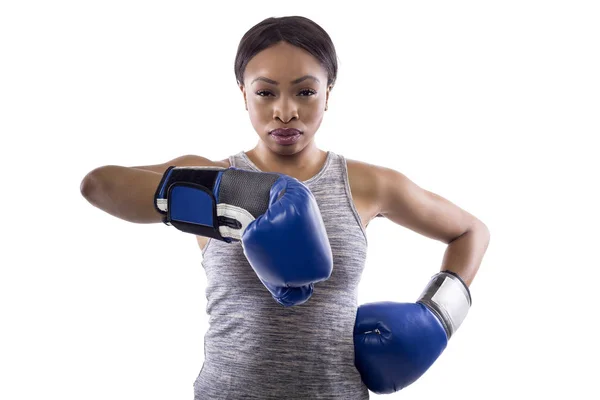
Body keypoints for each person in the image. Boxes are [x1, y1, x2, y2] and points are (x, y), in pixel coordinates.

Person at [80, 15, 491, 399]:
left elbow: (470, 231)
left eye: (305, 91)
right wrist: (239, 194)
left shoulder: (367, 184)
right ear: (244, 94)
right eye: (265, 92)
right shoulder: (211, 175)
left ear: (328, 93)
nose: (285, 111)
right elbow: (98, 185)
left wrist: (438, 315)